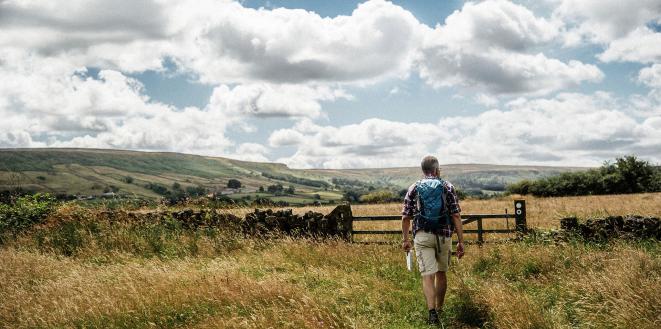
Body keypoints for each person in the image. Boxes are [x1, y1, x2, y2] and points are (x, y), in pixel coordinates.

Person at [401, 155, 464, 325]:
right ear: (437, 169)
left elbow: (406, 217)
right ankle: (440, 308)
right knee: (441, 273)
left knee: (427, 275)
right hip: (443, 235)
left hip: (422, 235)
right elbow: (456, 215)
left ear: (423, 170)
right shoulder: (447, 187)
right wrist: (461, 241)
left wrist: (406, 240)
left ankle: (432, 314)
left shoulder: (414, 187)